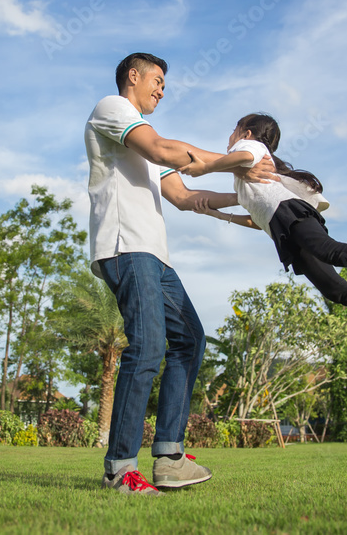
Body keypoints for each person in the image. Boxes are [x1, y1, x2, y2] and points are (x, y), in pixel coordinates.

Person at [85, 54, 276, 495]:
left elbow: (186, 196)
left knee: (190, 340)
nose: (162, 90)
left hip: (155, 256)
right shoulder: (113, 110)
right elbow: (163, 148)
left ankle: (169, 456)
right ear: (132, 77)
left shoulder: (143, 143)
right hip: (125, 247)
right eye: (157, 80)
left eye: (165, 84)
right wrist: (239, 160)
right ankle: (119, 469)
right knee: (149, 346)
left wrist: (249, 205)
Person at [179, 112, 347, 370]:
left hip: (290, 213)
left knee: (326, 249)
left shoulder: (249, 146)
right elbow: (256, 219)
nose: (230, 137)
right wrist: (217, 214)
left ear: (245, 133)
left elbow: (244, 156)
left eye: (234, 130)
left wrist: (206, 167)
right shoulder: (244, 180)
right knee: (333, 288)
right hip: (281, 225)